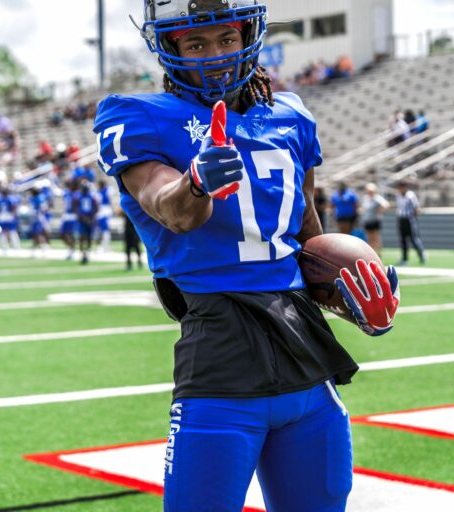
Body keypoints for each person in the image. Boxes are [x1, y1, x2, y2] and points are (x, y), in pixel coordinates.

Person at [93, 1, 400, 510]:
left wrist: (355, 299)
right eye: (195, 43)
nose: (213, 54)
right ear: (169, 47)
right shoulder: (137, 114)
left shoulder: (291, 115)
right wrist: (195, 182)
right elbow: (168, 208)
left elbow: (308, 243)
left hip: (305, 360)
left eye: (225, 39)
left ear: (247, 38)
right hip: (220, 362)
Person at [395, 181, 426, 265]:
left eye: (402, 187)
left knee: (414, 239)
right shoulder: (397, 195)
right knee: (403, 240)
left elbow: (416, 208)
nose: (400, 189)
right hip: (402, 219)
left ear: (405, 187)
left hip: (410, 220)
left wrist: (414, 219)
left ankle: (421, 255)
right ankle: (404, 259)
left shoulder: (411, 196)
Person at [361, 183, 390, 255]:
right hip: (367, 221)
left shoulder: (377, 198)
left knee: (376, 239)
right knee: (369, 239)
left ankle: (378, 254)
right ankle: (372, 254)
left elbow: (386, 205)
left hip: (375, 221)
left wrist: (379, 211)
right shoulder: (366, 198)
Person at [75, 181, 98, 265]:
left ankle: (87, 253)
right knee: (82, 237)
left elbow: (96, 207)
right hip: (82, 220)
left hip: (90, 219)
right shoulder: (79, 196)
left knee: (88, 238)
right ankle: (82, 255)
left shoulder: (92, 196)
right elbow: (75, 207)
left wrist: (91, 217)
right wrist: (81, 216)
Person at [60, 181, 78, 261]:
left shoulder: (77, 194)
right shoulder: (67, 193)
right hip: (66, 215)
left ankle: (71, 250)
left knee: (71, 234)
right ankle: (71, 248)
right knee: (62, 234)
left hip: (73, 216)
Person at [94, 179, 113, 253]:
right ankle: (104, 246)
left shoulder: (99, 192)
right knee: (103, 230)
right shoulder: (106, 191)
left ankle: (105, 246)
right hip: (105, 211)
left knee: (103, 230)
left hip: (102, 211)